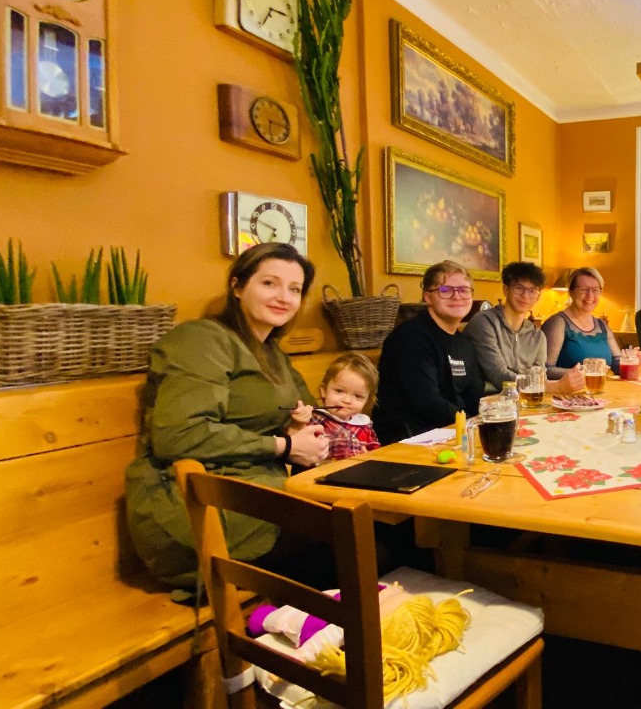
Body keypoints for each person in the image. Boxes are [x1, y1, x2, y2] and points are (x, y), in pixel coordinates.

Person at [125, 243, 331, 589]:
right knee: (361, 546)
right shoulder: (201, 340)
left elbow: (304, 412)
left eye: (295, 289)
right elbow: (178, 436)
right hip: (193, 506)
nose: (283, 297)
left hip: (257, 492)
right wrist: (284, 446)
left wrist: (303, 431)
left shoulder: (270, 351)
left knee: (382, 531)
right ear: (237, 286)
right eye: (269, 283)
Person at [374, 260, 485, 444]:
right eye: (445, 290)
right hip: (410, 439)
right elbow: (427, 403)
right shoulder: (410, 337)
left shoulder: (464, 342)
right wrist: (469, 424)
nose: (457, 296)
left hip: (453, 431)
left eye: (464, 290)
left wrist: (485, 420)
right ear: (428, 297)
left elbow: (475, 395)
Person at [465, 261, 585, 394]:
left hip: (525, 401)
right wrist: (554, 387)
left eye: (532, 291)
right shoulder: (484, 323)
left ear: (538, 296)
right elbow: (498, 374)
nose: (525, 296)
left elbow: (539, 377)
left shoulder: (537, 336)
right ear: (506, 290)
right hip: (488, 400)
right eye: (519, 288)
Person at [543, 267, 641, 378]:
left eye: (595, 290)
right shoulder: (557, 323)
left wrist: (632, 362)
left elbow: (616, 363)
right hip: (571, 389)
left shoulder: (601, 325)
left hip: (600, 387)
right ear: (571, 292)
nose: (590, 296)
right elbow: (545, 370)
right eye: (583, 289)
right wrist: (586, 371)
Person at [291, 351, 381, 462]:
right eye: (339, 391)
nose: (347, 401)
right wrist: (298, 423)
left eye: (358, 396)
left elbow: (375, 450)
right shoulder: (315, 419)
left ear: (367, 401)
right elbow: (296, 447)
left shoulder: (364, 424)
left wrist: (370, 456)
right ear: (324, 390)